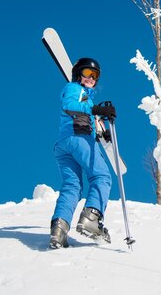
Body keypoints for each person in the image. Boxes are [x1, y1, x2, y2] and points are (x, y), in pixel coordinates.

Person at [49, 57, 117, 249]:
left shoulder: (86, 97)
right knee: (102, 177)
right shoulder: (74, 89)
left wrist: (103, 131)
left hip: (64, 145)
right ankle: (91, 218)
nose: (90, 78)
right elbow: (70, 105)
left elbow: (90, 116)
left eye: (94, 76)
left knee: (72, 186)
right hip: (79, 139)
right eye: (87, 73)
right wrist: (94, 108)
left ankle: (59, 229)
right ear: (78, 74)